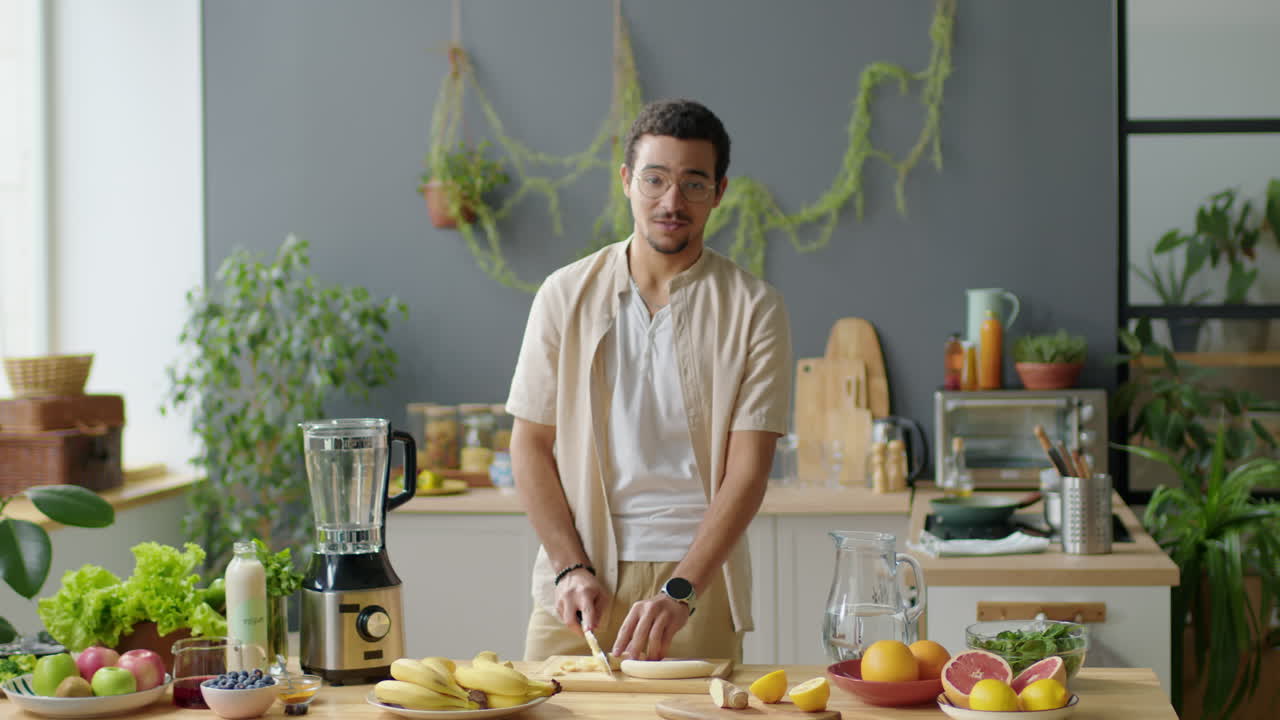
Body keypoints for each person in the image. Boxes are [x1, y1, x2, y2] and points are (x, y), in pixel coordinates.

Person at [505, 98, 793, 663]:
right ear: (627, 181)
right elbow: (529, 445)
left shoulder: (755, 307)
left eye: (693, 184)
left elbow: (748, 471)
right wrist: (568, 566)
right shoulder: (564, 294)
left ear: (720, 191)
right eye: (655, 179)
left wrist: (681, 590)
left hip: (696, 587)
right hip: (577, 584)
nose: (672, 202)